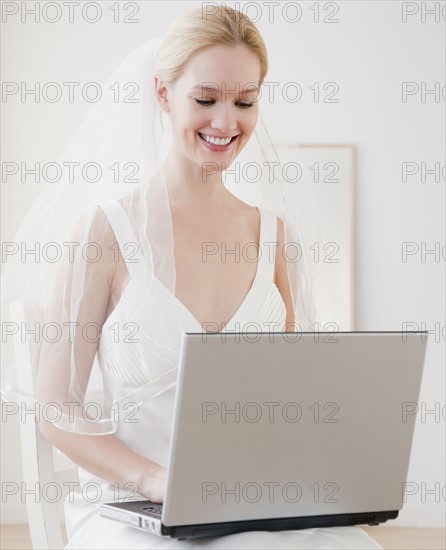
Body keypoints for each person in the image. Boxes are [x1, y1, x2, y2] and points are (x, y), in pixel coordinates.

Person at [2, 5, 381, 549]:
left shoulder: (273, 236)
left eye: (244, 102)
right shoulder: (106, 232)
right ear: (162, 93)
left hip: (249, 504)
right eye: (205, 99)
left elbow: (292, 396)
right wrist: (152, 480)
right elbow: (56, 404)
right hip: (133, 507)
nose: (226, 123)